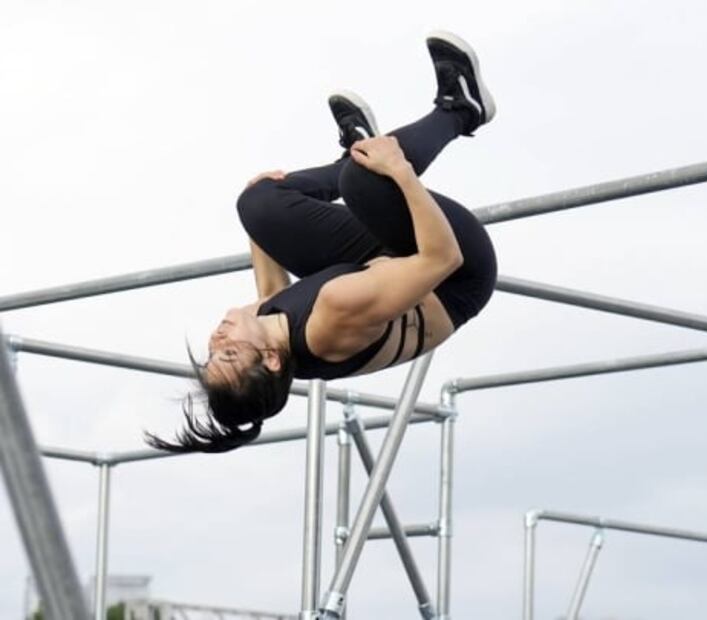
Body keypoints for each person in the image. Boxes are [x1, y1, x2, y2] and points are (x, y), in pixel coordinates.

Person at [146, 31, 498, 453]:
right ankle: (462, 109)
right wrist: (400, 171)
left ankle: (356, 154)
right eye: (228, 355)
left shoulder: (270, 331)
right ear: (272, 361)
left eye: (212, 355)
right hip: (453, 272)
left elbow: (276, 294)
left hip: (385, 263)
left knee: (257, 205)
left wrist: (264, 212)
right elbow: (441, 257)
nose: (216, 342)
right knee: (367, 181)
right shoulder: (334, 317)